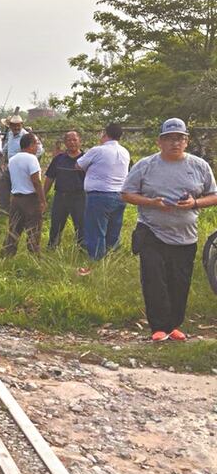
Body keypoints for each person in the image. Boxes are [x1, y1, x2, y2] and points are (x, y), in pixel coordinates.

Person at [121, 118, 217, 341]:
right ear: (159, 142)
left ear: (187, 141)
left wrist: (194, 203)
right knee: (154, 279)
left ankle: (174, 325)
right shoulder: (146, 165)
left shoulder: (199, 166)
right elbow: (126, 193)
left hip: (185, 235)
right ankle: (158, 328)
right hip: (152, 231)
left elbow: (213, 195)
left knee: (179, 281)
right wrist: (152, 202)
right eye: (169, 138)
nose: (175, 142)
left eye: (179, 138)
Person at [76, 123, 130, 260]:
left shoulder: (98, 150)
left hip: (99, 195)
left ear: (105, 134)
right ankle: (111, 258)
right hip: (120, 195)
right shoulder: (125, 152)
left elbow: (78, 165)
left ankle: (96, 261)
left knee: (96, 231)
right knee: (113, 230)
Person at [1, 133, 46, 257]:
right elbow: (36, 181)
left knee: (14, 229)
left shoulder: (13, 159)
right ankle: (34, 256)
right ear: (31, 145)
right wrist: (42, 200)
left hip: (16, 199)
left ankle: (7, 255)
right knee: (34, 229)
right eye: (36, 143)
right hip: (30, 199)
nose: (38, 146)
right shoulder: (32, 159)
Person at [44, 131, 86, 249]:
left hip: (80, 197)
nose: (72, 142)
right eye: (69, 140)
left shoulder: (86, 159)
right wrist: (42, 197)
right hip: (61, 197)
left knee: (81, 225)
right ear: (65, 143)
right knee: (56, 224)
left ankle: (82, 250)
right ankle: (52, 247)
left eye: (74, 140)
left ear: (80, 141)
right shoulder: (59, 159)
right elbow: (50, 178)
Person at [0, 115, 41, 211]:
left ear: (22, 124)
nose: (16, 128)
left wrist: (29, 159)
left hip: (22, 168)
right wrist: (2, 151)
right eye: (14, 125)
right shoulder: (10, 134)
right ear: (10, 126)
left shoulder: (27, 136)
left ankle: (25, 209)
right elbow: (8, 145)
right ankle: (5, 209)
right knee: (3, 185)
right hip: (11, 166)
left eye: (18, 125)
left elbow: (40, 150)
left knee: (22, 190)